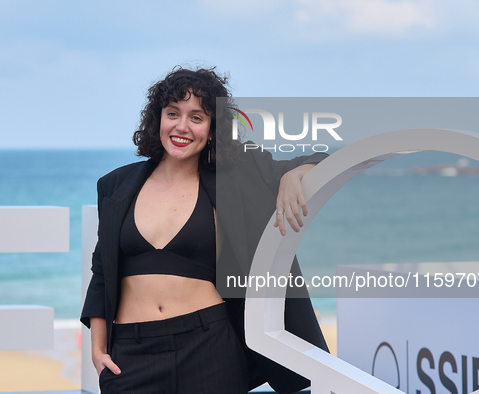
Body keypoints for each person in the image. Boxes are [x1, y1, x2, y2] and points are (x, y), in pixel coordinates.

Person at [81, 67, 329, 394]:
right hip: (131, 353)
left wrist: (293, 176)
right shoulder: (115, 185)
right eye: (173, 114)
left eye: (197, 117)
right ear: (158, 119)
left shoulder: (236, 177)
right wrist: (98, 350)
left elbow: (319, 159)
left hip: (209, 348)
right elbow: (102, 271)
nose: (182, 127)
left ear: (212, 129)